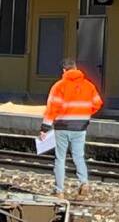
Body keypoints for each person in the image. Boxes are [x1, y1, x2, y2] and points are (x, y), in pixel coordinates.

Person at [39, 59, 103, 199]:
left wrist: (45, 128)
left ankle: (59, 190)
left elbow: (52, 108)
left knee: (60, 158)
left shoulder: (58, 86)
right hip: (81, 127)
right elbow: (97, 103)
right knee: (78, 156)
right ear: (76, 68)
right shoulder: (89, 86)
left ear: (64, 71)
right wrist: (85, 113)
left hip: (62, 126)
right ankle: (84, 182)